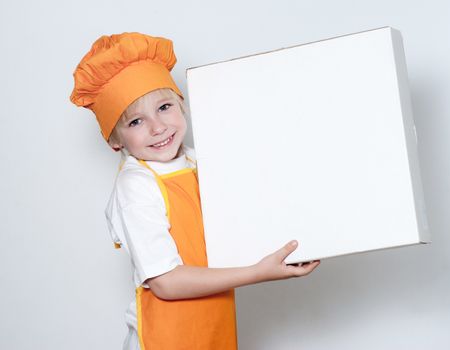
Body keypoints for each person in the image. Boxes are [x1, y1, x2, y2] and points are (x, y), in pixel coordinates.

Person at [70, 32, 320, 350]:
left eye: (164, 107)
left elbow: (247, 208)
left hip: (212, 332)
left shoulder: (196, 160)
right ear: (114, 140)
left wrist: (291, 244)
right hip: (165, 341)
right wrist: (259, 273)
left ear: (182, 106)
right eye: (135, 122)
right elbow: (166, 283)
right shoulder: (136, 185)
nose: (157, 127)